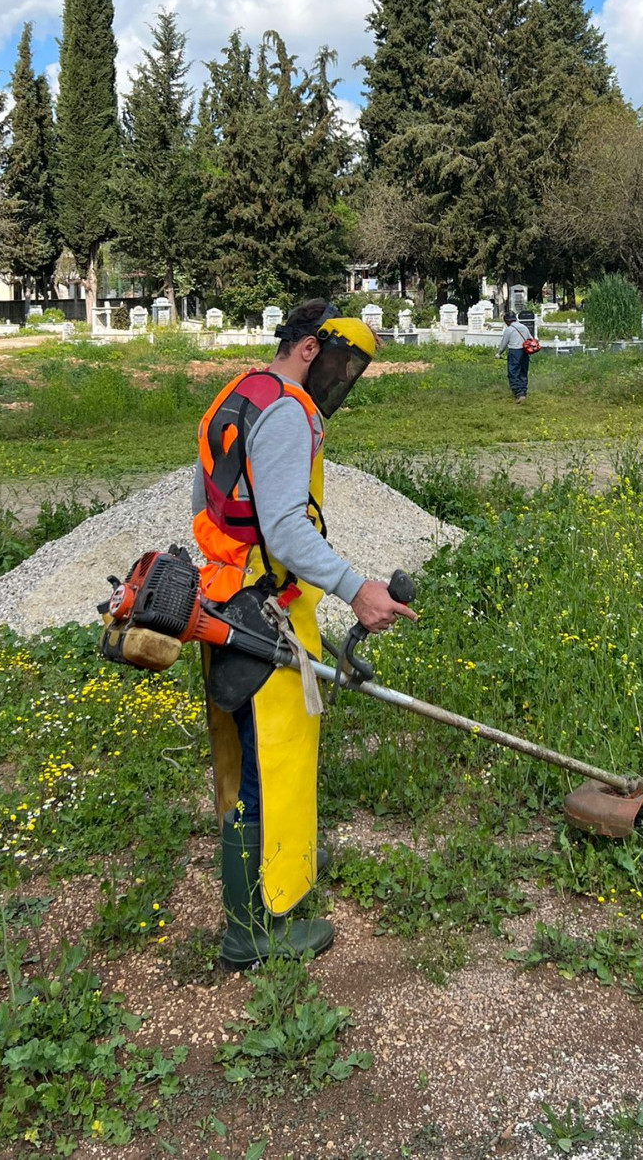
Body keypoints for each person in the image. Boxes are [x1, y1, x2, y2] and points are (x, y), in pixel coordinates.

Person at [192, 299, 417, 966]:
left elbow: (206, 505)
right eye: (342, 363)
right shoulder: (287, 410)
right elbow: (287, 527)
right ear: (310, 351)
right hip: (267, 614)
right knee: (272, 769)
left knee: (244, 767)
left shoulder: (234, 397)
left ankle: (247, 918)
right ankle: (255, 928)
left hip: (223, 604)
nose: (342, 381)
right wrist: (357, 588)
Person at [497, 309, 533, 403]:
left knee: (513, 372)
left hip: (514, 352)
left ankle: (519, 393)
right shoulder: (524, 327)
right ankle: (523, 391)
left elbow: (504, 344)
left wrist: (499, 353)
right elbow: (531, 339)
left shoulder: (509, 330)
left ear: (507, 321)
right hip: (525, 352)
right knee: (523, 372)